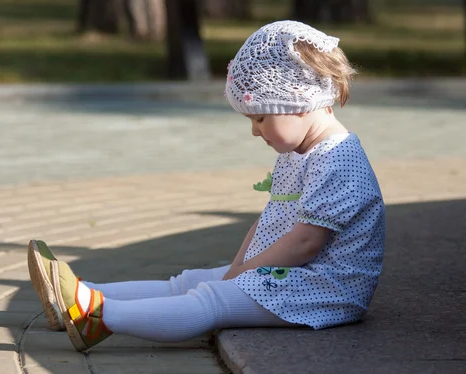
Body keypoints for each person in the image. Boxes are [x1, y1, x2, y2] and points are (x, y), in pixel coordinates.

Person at [27, 20, 385, 352]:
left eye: (261, 117)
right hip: (295, 276)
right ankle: (81, 297)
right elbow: (271, 220)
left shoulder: (339, 160)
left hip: (326, 290)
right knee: (188, 283)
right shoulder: (301, 152)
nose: (255, 130)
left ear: (301, 102)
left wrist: (241, 276)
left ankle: (100, 318)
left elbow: (306, 243)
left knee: (210, 301)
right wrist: (237, 267)